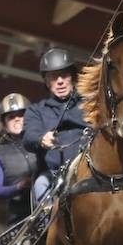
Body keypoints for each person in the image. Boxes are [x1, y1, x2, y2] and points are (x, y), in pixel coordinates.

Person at [23, 48, 90, 202]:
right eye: (53, 77)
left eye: (64, 75)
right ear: (46, 81)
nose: (60, 81)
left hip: (89, 172)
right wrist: (41, 139)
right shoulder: (36, 111)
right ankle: (46, 224)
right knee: (40, 184)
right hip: (53, 176)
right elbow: (28, 137)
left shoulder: (90, 104)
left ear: (72, 77)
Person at [0, 93, 38, 225]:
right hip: (21, 219)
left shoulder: (42, 140)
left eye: (21, 115)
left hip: (51, 209)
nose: (17, 119)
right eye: (11, 117)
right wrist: (18, 187)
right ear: (4, 123)